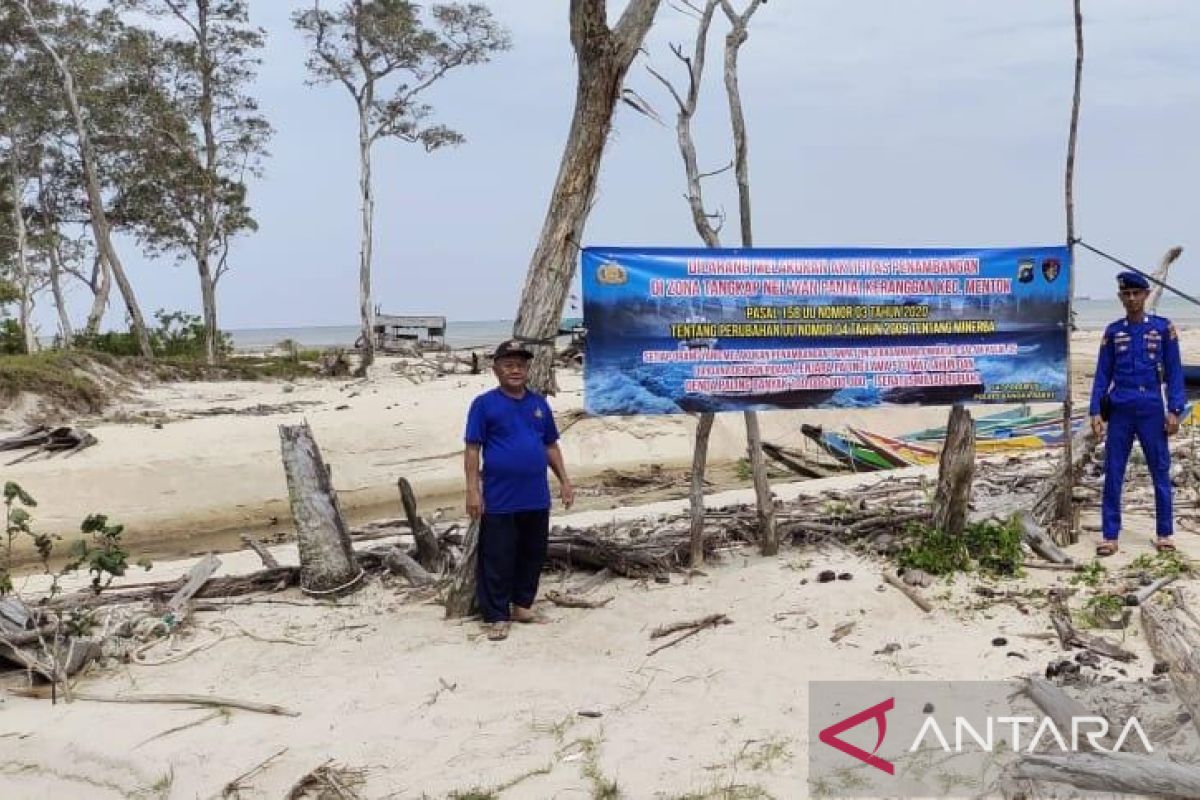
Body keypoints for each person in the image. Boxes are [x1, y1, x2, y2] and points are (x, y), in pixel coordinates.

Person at [464, 340, 574, 640]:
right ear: (496, 369)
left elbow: (550, 445)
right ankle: (497, 615)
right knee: (498, 557)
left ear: (528, 369)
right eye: (508, 365)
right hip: (499, 498)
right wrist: (472, 491)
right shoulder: (484, 404)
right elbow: (473, 449)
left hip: (536, 496)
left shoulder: (539, 404)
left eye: (521, 365)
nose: (515, 370)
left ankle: (523, 605)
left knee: (532, 553)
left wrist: (564, 481)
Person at [1088, 271, 1185, 556]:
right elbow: (1102, 374)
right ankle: (1109, 535)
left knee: (1160, 472)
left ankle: (1165, 533)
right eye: (1126, 294)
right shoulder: (1113, 331)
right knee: (1113, 472)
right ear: (1121, 298)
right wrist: (1096, 410)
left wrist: (1175, 410)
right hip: (1120, 410)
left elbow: (1175, 373)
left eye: (1136, 293)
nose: (1131, 298)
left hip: (1152, 408)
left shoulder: (1162, 329)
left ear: (1146, 295)